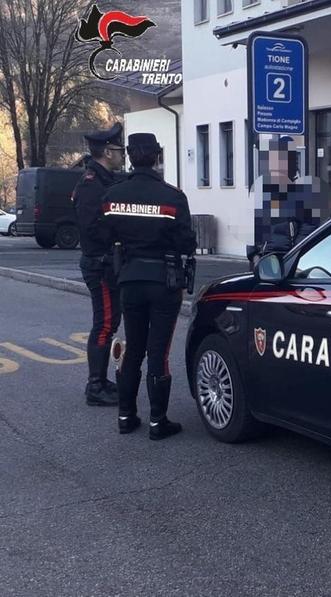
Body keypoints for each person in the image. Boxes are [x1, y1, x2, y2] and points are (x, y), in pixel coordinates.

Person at [92, 133, 197, 440]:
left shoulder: (112, 195)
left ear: (128, 156)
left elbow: (101, 234)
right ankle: (157, 421)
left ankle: (125, 416)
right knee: (158, 351)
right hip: (164, 281)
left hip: (129, 278)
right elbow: (186, 242)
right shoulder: (173, 196)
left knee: (133, 348)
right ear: (156, 157)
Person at [73, 122, 126, 407]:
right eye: (119, 150)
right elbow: (93, 227)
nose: (122, 155)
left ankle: (101, 380)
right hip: (100, 264)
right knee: (104, 324)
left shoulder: (105, 181)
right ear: (107, 151)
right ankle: (95, 386)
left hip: (106, 263)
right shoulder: (92, 184)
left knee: (108, 322)